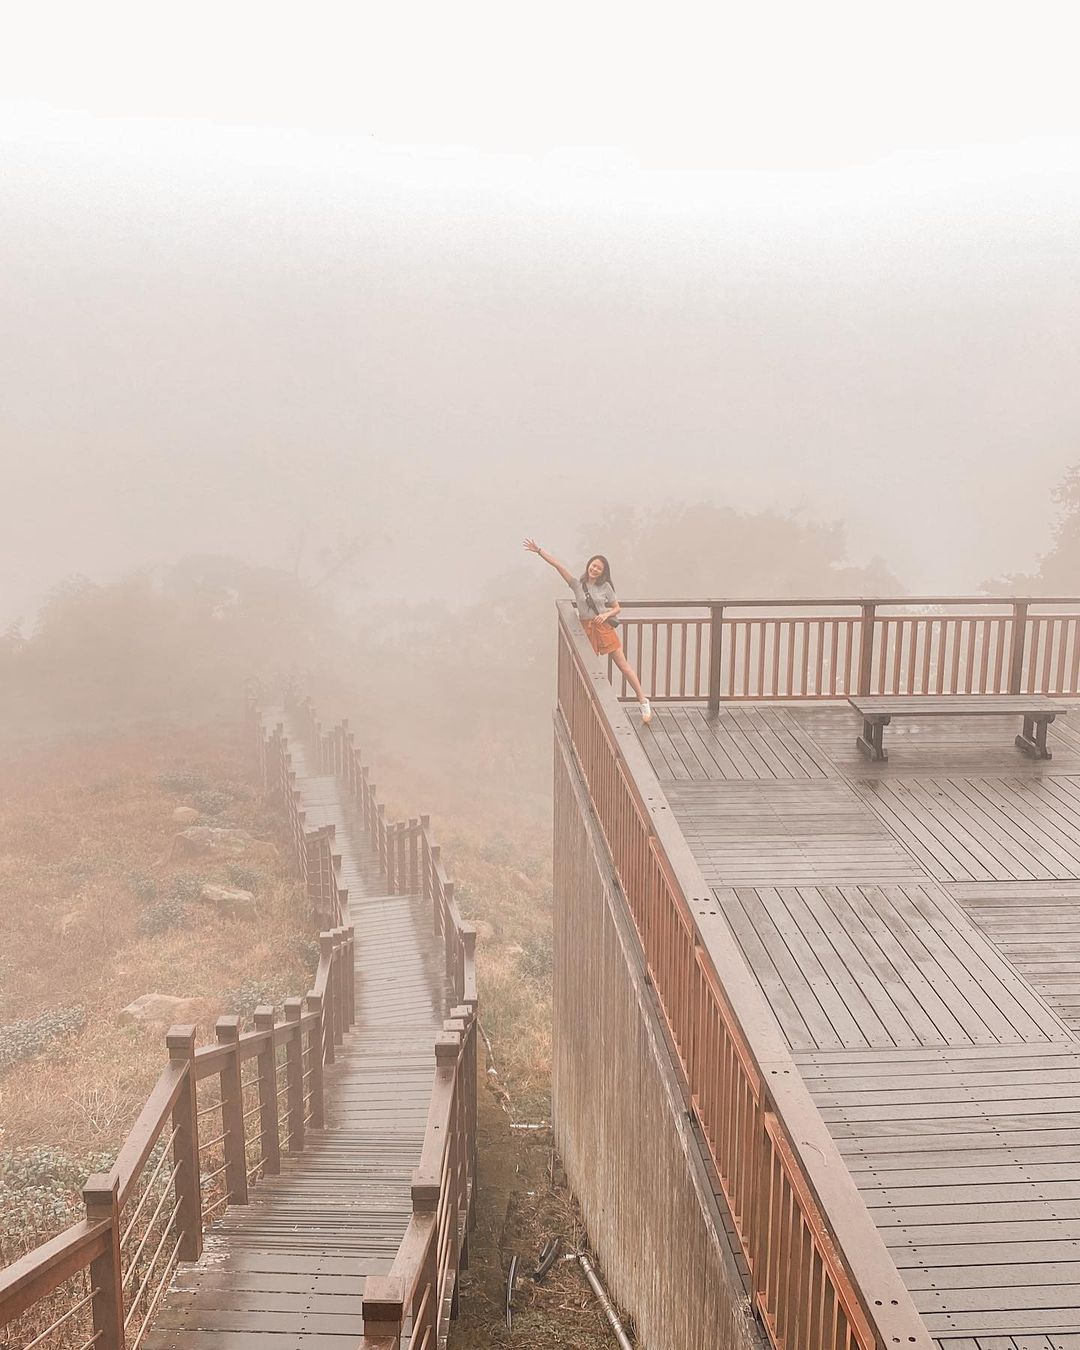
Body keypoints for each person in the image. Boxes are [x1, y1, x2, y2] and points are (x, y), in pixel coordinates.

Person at [524, 538, 652, 723]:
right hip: (586, 631)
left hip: (604, 628)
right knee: (589, 671)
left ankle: (643, 701)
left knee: (623, 666)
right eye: (593, 566)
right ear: (588, 566)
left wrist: (606, 615)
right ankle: (590, 709)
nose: (594, 569)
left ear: (603, 572)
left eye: (599, 568)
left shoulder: (605, 587)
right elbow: (558, 565)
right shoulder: (577, 585)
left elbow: (617, 608)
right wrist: (539, 551)